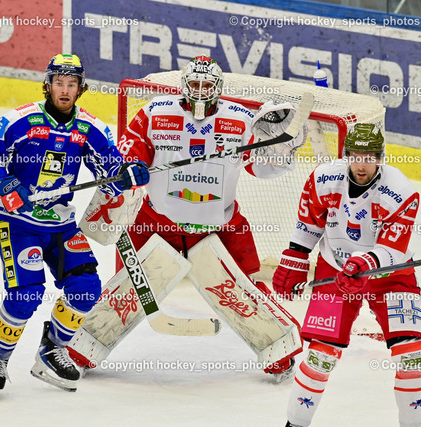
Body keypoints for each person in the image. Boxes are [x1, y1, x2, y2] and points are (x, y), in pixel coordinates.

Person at [109, 55, 305, 379]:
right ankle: (79, 348)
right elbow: (129, 152)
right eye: (194, 84)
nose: (200, 91)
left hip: (219, 227)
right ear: (184, 85)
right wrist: (130, 166)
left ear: (218, 87)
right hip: (156, 223)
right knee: (125, 289)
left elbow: (261, 168)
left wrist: (281, 150)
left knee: (247, 289)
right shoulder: (156, 112)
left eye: (206, 85)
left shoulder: (240, 120)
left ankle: (279, 351)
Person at [0, 53, 149, 400]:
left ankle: (51, 348)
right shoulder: (19, 121)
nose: (65, 90)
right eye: (59, 83)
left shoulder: (89, 128)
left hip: (61, 225)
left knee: (86, 289)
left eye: (71, 84)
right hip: (18, 223)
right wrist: (6, 186)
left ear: (80, 88)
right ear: (48, 85)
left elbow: (110, 169)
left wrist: (126, 174)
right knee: (25, 296)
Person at [272, 123, 421, 427]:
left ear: (380, 157)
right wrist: (296, 257)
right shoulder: (323, 179)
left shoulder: (401, 191)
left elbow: (393, 248)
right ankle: (295, 424)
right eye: (356, 157)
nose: (361, 164)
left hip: (390, 274)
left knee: (412, 357)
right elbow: (309, 224)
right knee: (320, 356)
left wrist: (364, 262)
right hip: (335, 269)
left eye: (369, 158)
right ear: (346, 155)